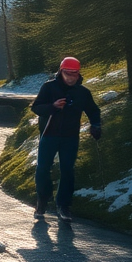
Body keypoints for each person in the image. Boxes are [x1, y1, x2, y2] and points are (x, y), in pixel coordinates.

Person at [30, 56, 102, 222]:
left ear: (78, 74)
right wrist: (53, 107)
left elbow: (93, 110)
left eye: (74, 74)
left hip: (70, 137)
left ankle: (63, 206)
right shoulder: (49, 87)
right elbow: (36, 107)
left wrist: (96, 125)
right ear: (61, 72)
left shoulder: (83, 92)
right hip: (49, 134)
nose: (71, 77)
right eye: (68, 73)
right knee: (42, 169)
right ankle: (42, 199)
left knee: (68, 170)